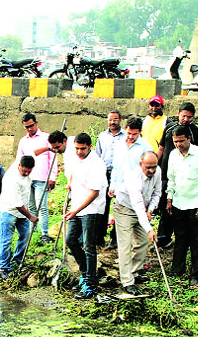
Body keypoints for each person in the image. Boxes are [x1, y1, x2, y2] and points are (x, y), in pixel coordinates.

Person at [166, 125, 198, 289]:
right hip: (178, 203)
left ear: (189, 139)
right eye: (175, 141)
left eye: (181, 141)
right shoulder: (173, 155)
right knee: (180, 238)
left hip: (195, 205)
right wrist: (169, 198)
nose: (178, 144)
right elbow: (171, 179)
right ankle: (177, 270)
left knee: (197, 241)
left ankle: (195, 274)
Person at [64, 133, 107, 299]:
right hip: (77, 205)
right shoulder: (76, 157)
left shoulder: (97, 164)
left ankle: (91, 284)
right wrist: (70, 183)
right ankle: (85, 271)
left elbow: (94, 193)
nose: (79, 152)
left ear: (90, 146)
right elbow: (74, 171)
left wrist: (75, 211)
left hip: (91, 209)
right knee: (71, 240)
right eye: (76, 148)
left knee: (89, 247)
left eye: (82, 149)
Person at [156, 102, 198, 249]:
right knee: (165, 208)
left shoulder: (196, 133)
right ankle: (163, 238)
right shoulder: (169, 128)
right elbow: (161, 148)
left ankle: (184, 239)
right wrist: (155, 166)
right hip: (166, 176)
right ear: (178, 113)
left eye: (189, 117)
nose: (186, 119)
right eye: (184, 116)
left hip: (186, 179)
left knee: (183, 210)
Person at [113, 151, 161, 295]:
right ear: (141, 165)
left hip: (143, 209)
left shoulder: (157, 171)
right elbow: (138, 206)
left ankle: (134, 271)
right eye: (148, 168)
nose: (152, 171)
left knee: (143, 242)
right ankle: (127, 281)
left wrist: (151, 210)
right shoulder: (134, 179)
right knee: (125, 245)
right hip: (124, 209)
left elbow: (157, 193)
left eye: (154, 167)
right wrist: (149, 228)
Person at [16, 112, 57, 243]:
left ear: (36, 123)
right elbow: (19, 160)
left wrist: (53, 177)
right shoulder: (23, 141)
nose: (29, 129)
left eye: (31, 126)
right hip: (28, 179)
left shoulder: (46, 138)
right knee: (31, 206)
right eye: (26, 127)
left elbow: (53, 158)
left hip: (42, 178)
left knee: (42, 206)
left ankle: (44, 233)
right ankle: (32, 232)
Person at [0, 155, 38, 280]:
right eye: (23, 170)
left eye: (28, 171)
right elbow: (17, 204)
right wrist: (31, 217)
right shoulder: (12, 179)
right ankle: (4, 268)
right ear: (18, 165)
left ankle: (17, 261)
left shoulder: (27, 173)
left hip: (22, 212)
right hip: (8, 211)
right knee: (6, 241)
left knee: (25, 236)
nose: (25, 173)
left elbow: (32, 151)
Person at [94, 109, 125, 247]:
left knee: (119, 205)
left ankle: (115, 238)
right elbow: (97, 155)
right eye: (110, 120)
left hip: (120, 174)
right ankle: (99, 236)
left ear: (120, 120)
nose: (112, 122)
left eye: (115, 120)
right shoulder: (102, 136)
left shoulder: (125, 136)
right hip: (104, 173)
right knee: (102, 205)